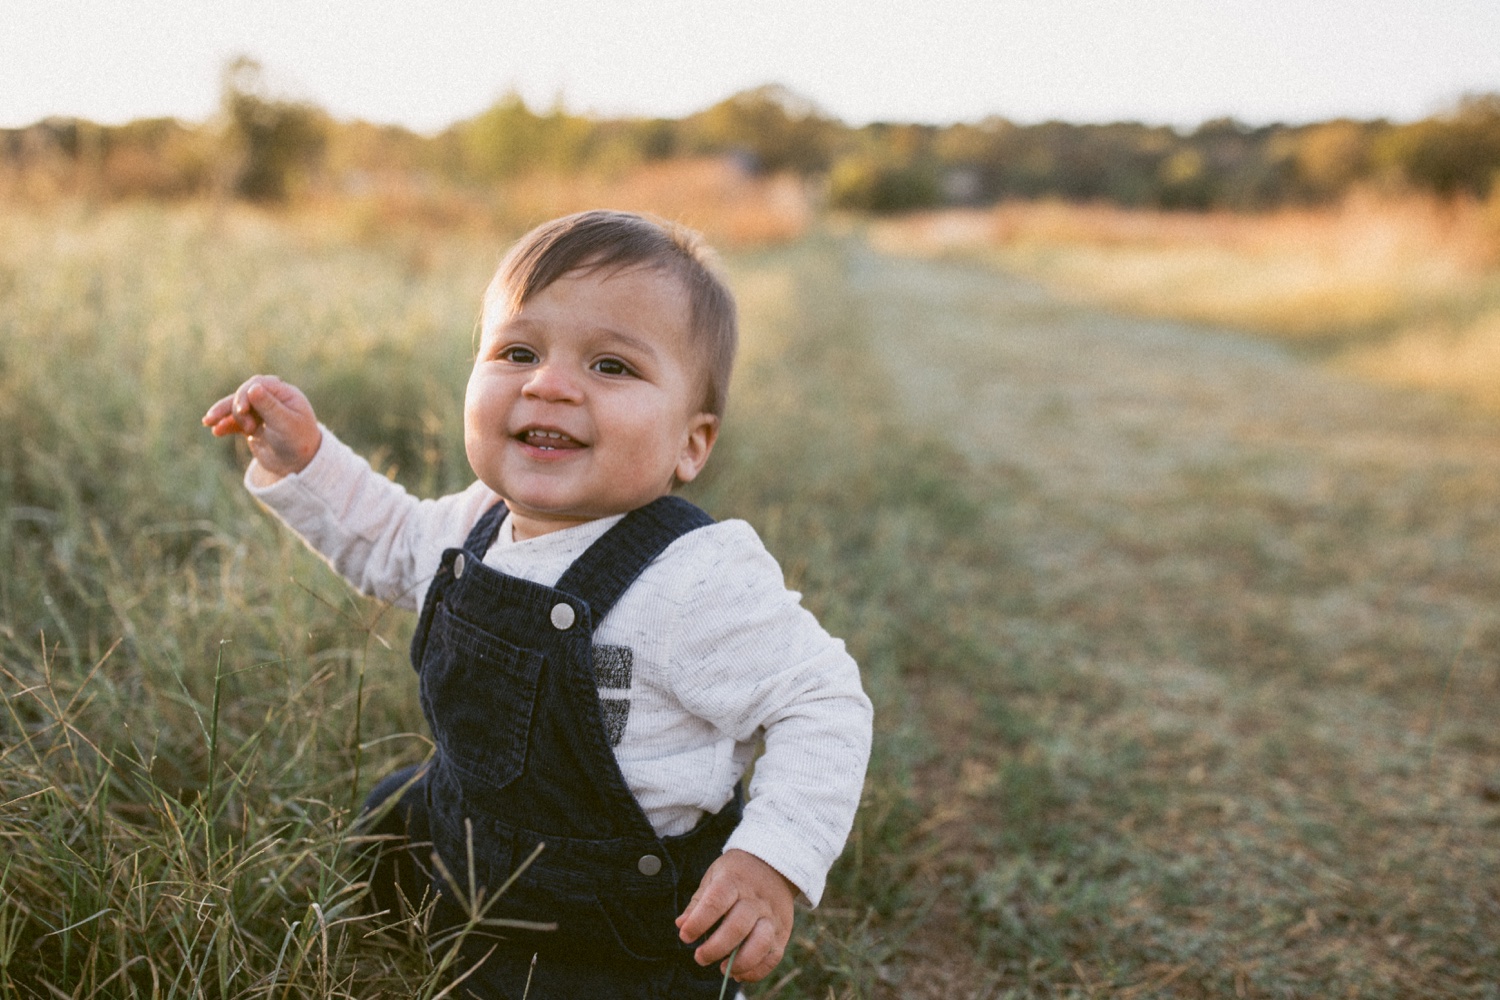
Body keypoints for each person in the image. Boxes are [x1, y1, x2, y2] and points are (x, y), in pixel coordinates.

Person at [202, 210, 873, 999]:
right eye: (517, 352)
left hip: (611, 920)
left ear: (691, 443)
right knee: (389, 851)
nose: (549, 383)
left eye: (612, 367)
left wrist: (773, 857)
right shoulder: (474, 521)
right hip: (460, 837)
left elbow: (821, 698)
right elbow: (387, 539)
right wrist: (308, 463)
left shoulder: (695, 576)